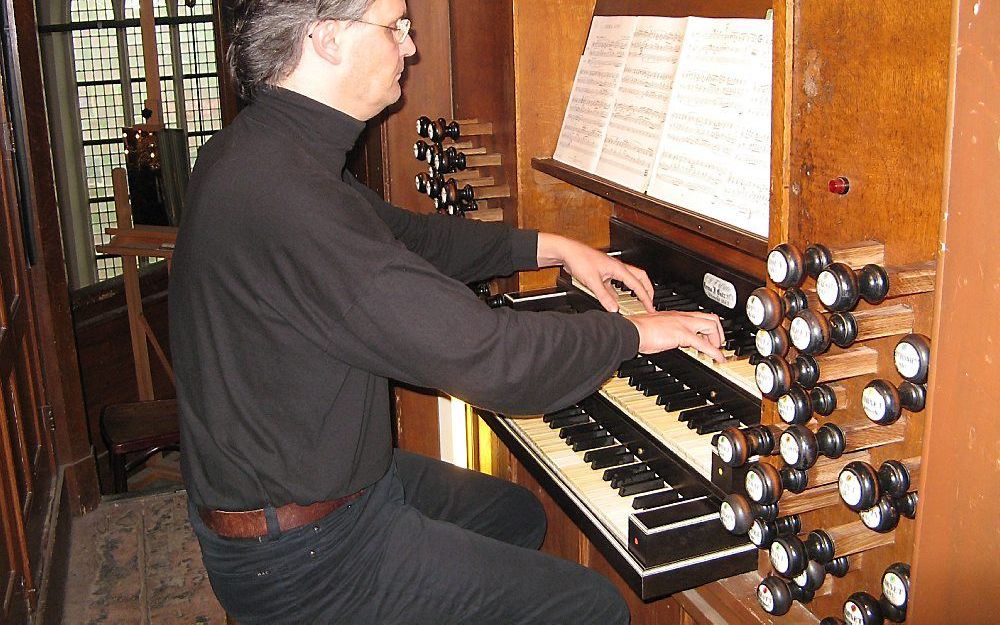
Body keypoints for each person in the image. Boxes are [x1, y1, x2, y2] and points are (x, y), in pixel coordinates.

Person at [169, 0, 726, 623]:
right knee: (591, 608)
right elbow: (491, 358)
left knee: (513, 514)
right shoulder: (293, 200)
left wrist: (549, 246)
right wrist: (630, 333)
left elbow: (410, 238)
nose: (409, 47)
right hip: (307, 557)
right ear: (327, 40)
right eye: (394, 27)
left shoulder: (263, 149)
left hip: (312, 492)